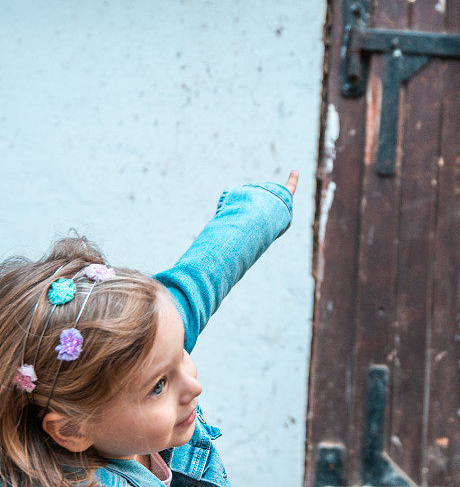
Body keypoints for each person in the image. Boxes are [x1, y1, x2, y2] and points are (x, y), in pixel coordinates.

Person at [0, 173, 298, 486]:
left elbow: (203, 277)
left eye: (181, 352)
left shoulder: (150, 348)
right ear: (73, 430)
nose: (194, 388)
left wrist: (264, 208)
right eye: (158, 386)